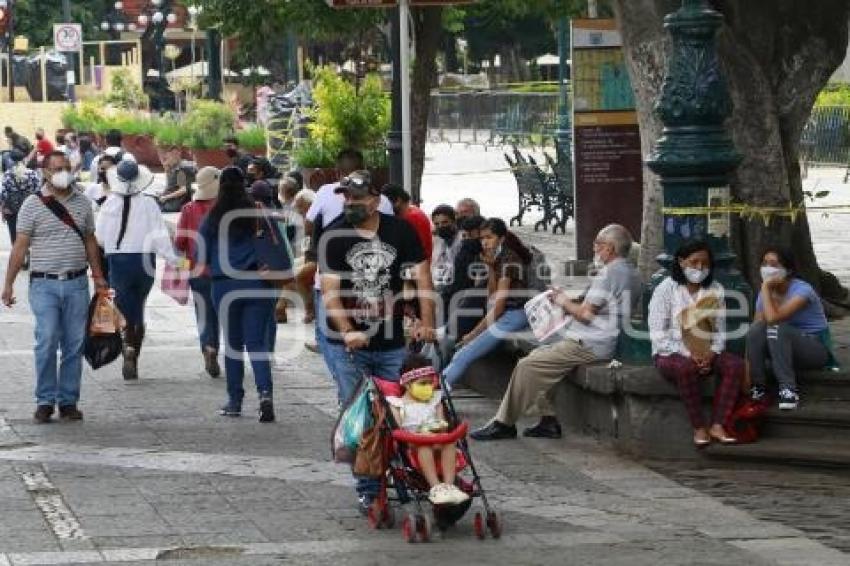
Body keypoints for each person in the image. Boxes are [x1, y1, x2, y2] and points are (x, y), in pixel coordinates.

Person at [320, 170, 435, 512]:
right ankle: (369, 487)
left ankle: (410, 471)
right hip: (348, 345)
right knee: (362, 414)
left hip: (391, 340)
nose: (351, 203)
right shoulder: (334, 234)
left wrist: (427, 323)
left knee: (407, 406)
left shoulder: (399, 231)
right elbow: (330, 292)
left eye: (358, 198)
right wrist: (347, 330)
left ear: (374, 200)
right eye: (347, 198)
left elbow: (422, 277)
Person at [471, 224, 641, 441]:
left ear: (610, 248)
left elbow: (585, 314)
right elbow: (594, 304)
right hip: (593, 338)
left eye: (597, 245)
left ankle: (503, 423)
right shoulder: (630, 271)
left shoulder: (609, 273)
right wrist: (565, 300)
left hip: (589, 343)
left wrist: (563, 301)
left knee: (527, 366)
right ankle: (548, 420)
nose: (594, 250)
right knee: (536, 358)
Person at [1, 151, 107, 423]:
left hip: (76, 284)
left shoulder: (83, 203)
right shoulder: (32, 205)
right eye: (57, 168)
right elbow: (20, 246)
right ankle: (45, 400)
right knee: (47, 340)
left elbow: (90, 241)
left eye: (66, 167)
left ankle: (68, 401)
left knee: (74, 344)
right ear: (46, 172)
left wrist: (98, 276)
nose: (63, 172)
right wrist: (8, 283)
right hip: (44, 284)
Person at [197, 166, 278, 422]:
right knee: (257, 344)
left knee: (233, 346)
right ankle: (265, 395)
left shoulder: (211, 218)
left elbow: (201, 260)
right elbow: (277, 243)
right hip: (258, 283)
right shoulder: (257, 213)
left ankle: (235, 401)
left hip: (225, 286)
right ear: (245, 184)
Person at [305, 149, 393, 383]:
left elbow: (308, 225)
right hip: (375, 280)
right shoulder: (383, 200)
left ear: (337, 171)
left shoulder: (325, 192)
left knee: (330, 337)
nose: (349, 202)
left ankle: (348, 390)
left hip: (332, 278)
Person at [648, 240, 742, 446]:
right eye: (694, 262)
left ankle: (718, 424)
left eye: (705, 263)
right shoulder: (666, 289)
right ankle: (699, 427)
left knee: (735, 365)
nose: (700, 268)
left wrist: (712, 353)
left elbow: (720, 331)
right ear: (682, 262)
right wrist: (689, 354)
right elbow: (658, 334)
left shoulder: (715, 289)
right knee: (685, 369)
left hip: (706, 351)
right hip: (670, 353)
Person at [96, 161, 180, 381]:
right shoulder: (149, 204)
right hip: (145, 262)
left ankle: (128, 348)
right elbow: (160, 236)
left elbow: (101, 239)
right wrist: (176, 261)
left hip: (119, 262)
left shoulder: (108, 204)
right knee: (139, 306)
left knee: (124, 308)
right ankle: (134, 351)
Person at [441, 218, 533, 389]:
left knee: (464, 355)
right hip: (504, 314)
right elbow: (492, 297)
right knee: (461, 353)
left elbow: (497, 307)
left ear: (502, 238)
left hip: (514, 314)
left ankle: (440, 390)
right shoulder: (497, 258)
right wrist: (490, 268)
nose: (484, 242)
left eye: (489, 237)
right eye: (482, 238)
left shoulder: (509, 259)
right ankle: (440, 388)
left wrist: (473, 334)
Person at [747, 247, 833, 410]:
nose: (768, 269)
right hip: (781, 347)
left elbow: (773, 319)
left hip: (814, 350)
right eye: (764, 264)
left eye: (774, 264)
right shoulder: (764, 294)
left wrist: (765, 288)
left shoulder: (802, 290)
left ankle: (788, 389)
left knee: (776, 326)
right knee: (756, 329)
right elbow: (756, 330)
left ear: (788, 270)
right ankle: (759, 386)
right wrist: (746, 370)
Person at [386, 355, 469, 505]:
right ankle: (435, 486)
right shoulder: (397, 404)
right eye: (422, 383)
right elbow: (397, 429)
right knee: (424, 446)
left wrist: (440, 428)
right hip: (413, 442)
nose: (428, 388)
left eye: (431, 383)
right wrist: (418, 434)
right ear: (407, 384)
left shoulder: (435, 400)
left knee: (450, 443)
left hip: (437, 438)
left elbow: (442, 422)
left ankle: (448, 486)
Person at [174, 166, 222, 378]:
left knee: (204, 313)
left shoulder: (188, 209)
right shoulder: (225, 209)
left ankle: (208, 347)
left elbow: (180, 243)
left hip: (197, 271)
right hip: (223, 271)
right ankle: (219, 347)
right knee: (222, 312)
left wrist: (183, 269)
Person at [382, 184, 433, 260]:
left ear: (398, 201)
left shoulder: (411, 218)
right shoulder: (413, 211)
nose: (384, 207)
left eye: (386, 203)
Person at [1, 149, 41, 247]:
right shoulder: (32, 174)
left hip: (12, 210)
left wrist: (2, 211)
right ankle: (28, 255)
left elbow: (3, 195)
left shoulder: (7, 175)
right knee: (30, 234)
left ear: (10, 160)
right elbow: (38, 191)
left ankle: (19, 258)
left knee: (14, 236)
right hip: (30, 208)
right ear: (24, 159)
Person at [430, 205, 463, 308]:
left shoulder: (462, 239)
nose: (441, 226)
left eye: (445, 222)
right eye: (437, 224)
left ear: (453, 221)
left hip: (456, 287)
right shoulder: (436, 240)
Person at [158, 146, 196, 213]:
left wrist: (166, 197)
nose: (164, 162)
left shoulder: (180, 170)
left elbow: (183, 190)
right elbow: (170, 186)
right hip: (174, 200)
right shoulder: (174, 168)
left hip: (176, 203)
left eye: (166, 159)